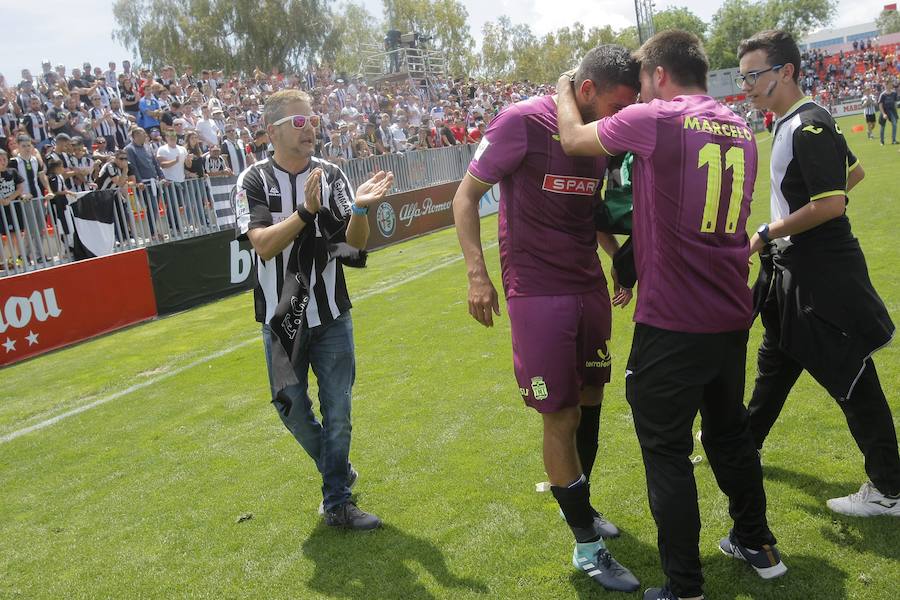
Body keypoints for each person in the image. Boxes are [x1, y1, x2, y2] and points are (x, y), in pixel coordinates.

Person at [556, 30, 784, 600]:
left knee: (667, 452)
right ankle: (757, 543)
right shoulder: (740, 125)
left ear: (659, 75)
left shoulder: (658, 119)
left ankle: (684, 586)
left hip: (675, 321)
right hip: (730, 312)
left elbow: (574, 136)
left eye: (642, 83)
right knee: (730, 436)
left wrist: (564, 86)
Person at [453, 45, 640, 594]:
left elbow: (589, 209)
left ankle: (582, 505)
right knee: (558, 416)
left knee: (591, 401)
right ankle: (587, 548)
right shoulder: (521, 122)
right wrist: (476, 275)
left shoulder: (601, 137)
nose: (620, 118)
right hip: (536, 291)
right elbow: (465, 199)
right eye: (615, 105)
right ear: (585, 90)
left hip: (587, 285)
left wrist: (616, 262)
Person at [738, 30, 899, 516]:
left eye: (754, 74)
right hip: (795, 266)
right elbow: (853, 175)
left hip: (820, 269)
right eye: (743, 75)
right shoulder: (792, 122)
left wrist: (767, 231)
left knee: (849, 373)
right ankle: (746, 444)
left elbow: (831, 203)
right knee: (777, 357)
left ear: (785, 71)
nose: (745, 84)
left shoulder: (808, 124)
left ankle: (889, 488)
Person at [236, 89, 394, 530]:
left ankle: (338, 502)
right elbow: (264, 245)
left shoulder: (332, 174)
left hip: (332, 318)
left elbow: (354, 243)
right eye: (300, 122)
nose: (311, 128)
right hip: (280, 321)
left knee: (338, 412)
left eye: (313, 120)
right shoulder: (253, 181)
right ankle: (338, 470)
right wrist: (306, 212)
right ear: (273, 131)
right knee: (291, 409)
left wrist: (360, 208)